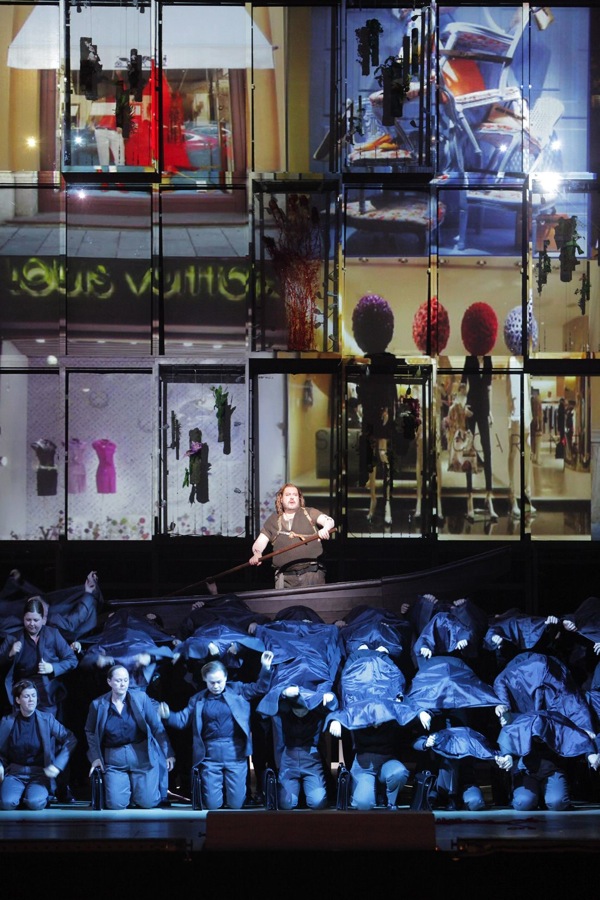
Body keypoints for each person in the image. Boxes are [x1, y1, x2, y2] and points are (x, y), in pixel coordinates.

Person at [158, 651, 274, 810]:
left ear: (226, 678)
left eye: (219, 682)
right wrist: (168, 715)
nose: (216, 686)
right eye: (211, 682)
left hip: (235, 753)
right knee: (212, 805)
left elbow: (260, 688)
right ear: (205, 680)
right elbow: (182, 720)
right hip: (210, 756)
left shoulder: (238, 690)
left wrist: (265, 668)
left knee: (236, 804)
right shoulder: (198, 699)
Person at [85, 664, 175, 810]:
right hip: (114, 759)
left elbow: (156, 726)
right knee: (116, 804)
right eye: (118, 680)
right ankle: (127, 791)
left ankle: (140, 791)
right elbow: (89, 730)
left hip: (141, 756)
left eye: (125, 680)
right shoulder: (97, 704)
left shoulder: (141, 698)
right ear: (109, 682)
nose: (123, 684)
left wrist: (168, 752)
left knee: (148, 802)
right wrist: (95, 757)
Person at [0, 680, 77, 810]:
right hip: (15, 774)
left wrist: (57, 765)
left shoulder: (47, 719)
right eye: (26, 696)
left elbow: (70, 738)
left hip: (39, 774)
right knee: (6, 803)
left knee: (35, 803)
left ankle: (37, 796)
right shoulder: (7, 722)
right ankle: (20, 796)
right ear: (18, 700)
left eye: (33, 695)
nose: (31, 700)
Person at [0, 597, 78, 717]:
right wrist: (10, 654)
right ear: (23, 618)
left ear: (43, 619)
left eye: (36, 620)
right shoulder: (12, 638)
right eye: (28, 620)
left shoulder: (53, 634)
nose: (32, 624)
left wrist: (53, 667)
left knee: (47, 727)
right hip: (23, 695)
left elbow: (72, 660)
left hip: (47, 694)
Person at [249, 484, 334, 589]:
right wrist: (257, 553)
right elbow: (260, 541)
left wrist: (326, 528)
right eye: (288, 495)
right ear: (281, 499)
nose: (292, 497)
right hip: (284, 579)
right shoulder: (273, 520)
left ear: (299, 498)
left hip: (312, 575)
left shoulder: (309, 513)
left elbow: (329, 520)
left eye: (295, 495)